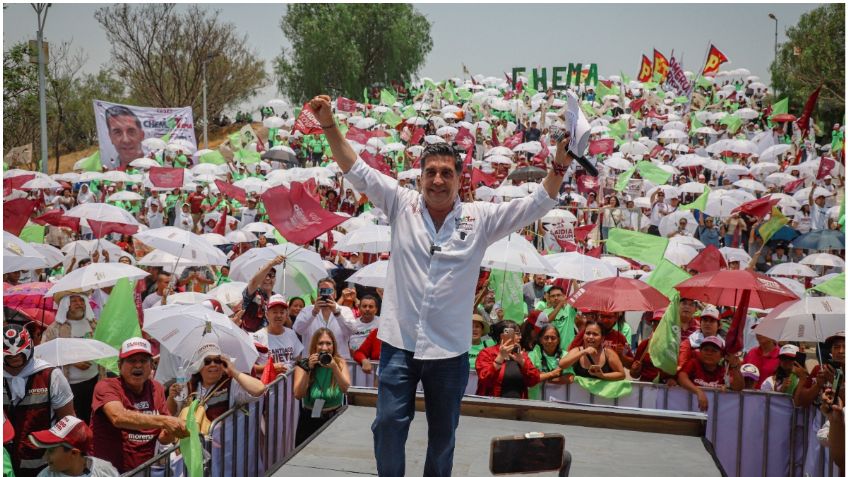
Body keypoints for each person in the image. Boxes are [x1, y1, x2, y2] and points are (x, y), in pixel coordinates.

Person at [310, 91, 573, 475]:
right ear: (419, 177)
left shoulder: (479, 218)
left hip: (449, 351)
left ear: (459, 178)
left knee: (443, 436)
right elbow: (356, 168)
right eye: (430, 172)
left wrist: (560, 166)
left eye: (446, 173)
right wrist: (329, 124)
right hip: (399, 345)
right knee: (386, 427)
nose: (437, 180)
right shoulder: (401, 203)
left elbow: (535, 204)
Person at [90, 338, 188, 473]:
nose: (138, 365)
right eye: (132, 360)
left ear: (152, 365)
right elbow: (118, 417)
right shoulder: (106, 386)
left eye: (143, 360)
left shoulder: (156, 388)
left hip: (145, 470)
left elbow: (163, 438)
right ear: (119, 366)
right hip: (109, 472)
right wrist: (166, 421)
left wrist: (176, 430)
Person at [3, 324, 76, 477]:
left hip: (43, 465)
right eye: (10, 358)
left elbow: (69, 422)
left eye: (19, 356)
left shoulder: (51, 375)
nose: (15, 362)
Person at [166, 342, 266, 423]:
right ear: (199, 367)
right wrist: (171, 397)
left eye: (217, 360)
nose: (213, 364)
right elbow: (171, 412)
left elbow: (259, 389)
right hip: (192, 445)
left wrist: (233, 371)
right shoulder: (189, 386)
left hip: (221, 446)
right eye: (207, 361)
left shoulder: (231, 384)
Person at [40, 294, 101, 424]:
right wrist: (72, 361)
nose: (79, 303)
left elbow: (103, 347)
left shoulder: (95, 325)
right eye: (74, 301)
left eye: (81, 300)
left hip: (94, 382)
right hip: (68, 386)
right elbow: (44, 356)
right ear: (65, 305)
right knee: (73, 422)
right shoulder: (54, 329)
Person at [293, 328, 351, 446]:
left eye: (328, 343)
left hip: (334, 419)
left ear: (333, 345)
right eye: (320, 343)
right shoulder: (303, 364)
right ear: (314, 345)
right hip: (310, 420)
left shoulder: (340, 363)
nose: (324, 348)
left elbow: (346, 389)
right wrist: (308, 369)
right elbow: (298, 394)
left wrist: (335, 368)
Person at [28, 416, 119, 477]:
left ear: (74, 453)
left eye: (51, 451)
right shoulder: (45, 475)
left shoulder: (105, 471)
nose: (45, 457)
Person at [293, 278, 358, 360]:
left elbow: (352, 331)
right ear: (317, 293)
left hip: (339, 363)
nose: (326, 294)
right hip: (312, 363)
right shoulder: (307, 310)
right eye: (323, 291)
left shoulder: (345, 310)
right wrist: (313, 313)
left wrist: (337, 313)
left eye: (329, 291)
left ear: (335, 294)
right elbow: (298, 329)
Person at [475, 321, 541, 398]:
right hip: (492, 405)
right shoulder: (487, 353)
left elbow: (534, 380)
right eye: (516, 333)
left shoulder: (521, 354)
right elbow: (484, 380)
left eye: (520, 333)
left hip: (518, 406)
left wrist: (522, 362)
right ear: (503, 335)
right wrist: (499, 358)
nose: (520, 337)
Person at [677, 336, 743, 411]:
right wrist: (698, 391)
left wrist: (733, 365)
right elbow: (681, 377)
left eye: (714, 351)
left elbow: (738, 387)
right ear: (700, 352)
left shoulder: (724, 370)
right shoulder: (693, 363)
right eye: (705, 350)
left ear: (721, 355)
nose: (709, 353)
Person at [252, 295, 304, 376]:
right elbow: (251, 367)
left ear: (286, 315)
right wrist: (270, 368)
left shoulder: (291, 333)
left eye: (282, 312)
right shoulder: (257, 337)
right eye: (275, 312)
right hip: (267, 387)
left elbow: (298, 359)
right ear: (267, 314)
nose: (279, 315)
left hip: (289, 386)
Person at [558, 321, 625, 382]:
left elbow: (622, 374)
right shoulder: (577, 350)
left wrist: (602, 375)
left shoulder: (608, 352)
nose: (590, 337)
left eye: (595, 334)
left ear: (602, 338)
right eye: (588, 333)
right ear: (583, 336)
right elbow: (562, 365)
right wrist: (583, 352)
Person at [241, 255, 284, 333]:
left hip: (272, 341)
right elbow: (253, 282)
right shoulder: (253, 293)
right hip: (252, 340)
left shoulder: (278, 298)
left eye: (271, 276)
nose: (267, 278)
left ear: (275, 279)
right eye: (265, 275)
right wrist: (271, 263)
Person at [527, 325, 566, 400]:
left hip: (560, 400)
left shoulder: (565, 355)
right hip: (536, 400)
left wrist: (544, 377)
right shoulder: (532, 355)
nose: (549, 341)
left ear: (558, 340)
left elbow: (569, 378)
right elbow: (531, 376)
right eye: (546, 338)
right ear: (540, 340)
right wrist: (553, 374)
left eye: (553, 338)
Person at [104, 106, 144, 170]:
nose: (126, 140)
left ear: (142, 135)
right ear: (110, 137)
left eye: (131, 131)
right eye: (117, 132)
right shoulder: (107, 171)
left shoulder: (157, 166)